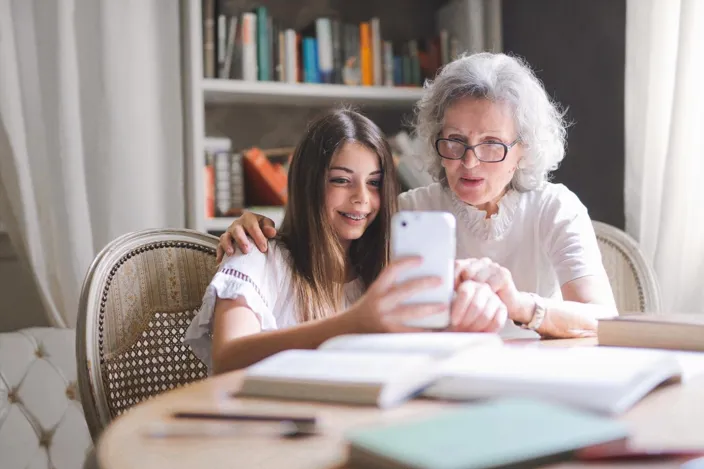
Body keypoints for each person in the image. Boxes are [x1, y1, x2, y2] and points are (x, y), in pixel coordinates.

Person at [217, 53, 618, 340]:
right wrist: (254, 226)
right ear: (434, 138)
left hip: (540, 381)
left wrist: (519, 305)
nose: (469, 162)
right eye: (455, 142)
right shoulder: (407, 212)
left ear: (523, 149)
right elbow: (325, 245)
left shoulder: (555, 207)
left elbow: (604, 319)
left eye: (492, 145)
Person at [184, 109, 507, 374]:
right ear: (308, 183)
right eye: (341, 180)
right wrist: (354, 323)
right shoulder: (256, 254)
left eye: (375, 183)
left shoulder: (384, 270)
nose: (362, 199)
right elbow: (227, 358)